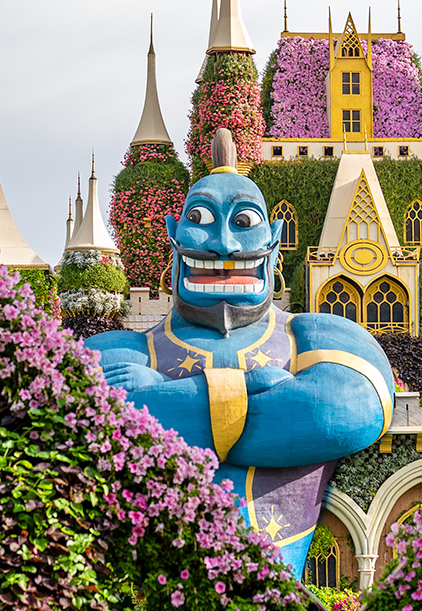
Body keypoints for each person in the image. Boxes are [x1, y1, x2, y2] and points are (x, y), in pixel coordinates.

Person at [86, 129, 395, 576]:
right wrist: (258, 389)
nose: (224, 245)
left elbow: (348, 408)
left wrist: (174, 404)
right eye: (202, 218)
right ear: (174, 235)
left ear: (273, 241)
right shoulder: (123, 348)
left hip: (286, 599)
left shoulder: (316, 335)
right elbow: (88, 416)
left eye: (244, 222)